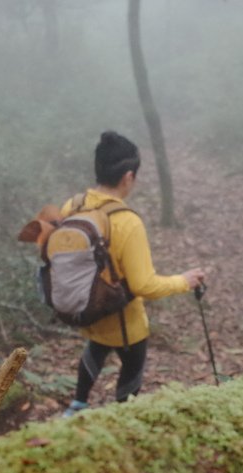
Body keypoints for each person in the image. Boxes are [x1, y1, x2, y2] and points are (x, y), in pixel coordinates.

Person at [61, 131, 205, 417]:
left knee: (96, 347)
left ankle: (77, 405)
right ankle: (124, 419)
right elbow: (144, 285)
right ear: (128, 176)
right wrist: (183, 281)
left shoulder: (72, 206)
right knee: (132, 363)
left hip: (86, 309)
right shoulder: (127, 222)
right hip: (124, 320)